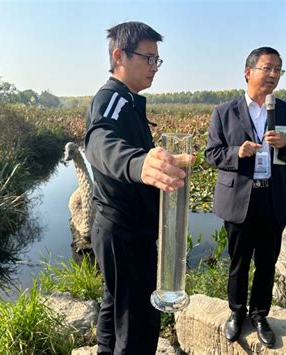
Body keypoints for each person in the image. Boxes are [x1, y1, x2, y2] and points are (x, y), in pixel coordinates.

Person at [84, 22, 192, 354]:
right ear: (119, 56)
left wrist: (154, 162)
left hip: (116, 227)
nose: (154, 67)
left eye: (158, 60)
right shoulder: (112, 99)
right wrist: (140, 164)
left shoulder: (128, 100)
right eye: (148, 58)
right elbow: (100, 142)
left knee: (115, 301)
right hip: (125, 232)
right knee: (139, 322)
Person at [204, 47, 286, 348]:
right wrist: (237, 152)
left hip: (273, 200)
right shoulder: (224, 112)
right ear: (248, 72)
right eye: (267, 68)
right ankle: (236, 313)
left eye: (279, 69)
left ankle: (260, 315)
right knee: (238, 262)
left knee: (266, 263)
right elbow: (211, 154)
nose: (273, 74)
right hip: (239, 200)